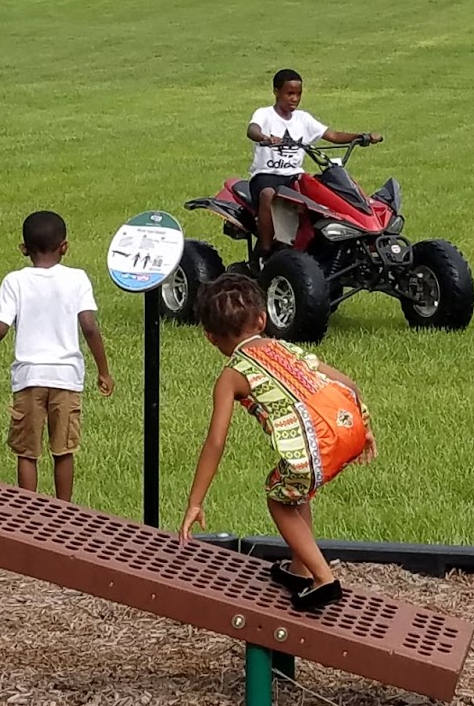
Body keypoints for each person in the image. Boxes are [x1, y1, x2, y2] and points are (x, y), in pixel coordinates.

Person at [180, 275, 376, 610]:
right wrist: (364, 429)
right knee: (295, 491)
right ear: (262, 319)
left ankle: (323, 579)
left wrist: (195, 502)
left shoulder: (231, 376)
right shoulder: (285, 347)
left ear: (209, 336)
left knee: (279, 499)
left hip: (312, 447)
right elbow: (348, 384)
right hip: (348, 426)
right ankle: (300, 570)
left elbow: (215, 442)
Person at [0, 210, 114, 502]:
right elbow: (89, 327)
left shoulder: (15, 281)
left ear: (23, 249)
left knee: (27, 452)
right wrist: (103, 371)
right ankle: (65, 511)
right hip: (66, 379)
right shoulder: (77, 279)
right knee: (64, 451)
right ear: (65, 247)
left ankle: (28, 512)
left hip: (29, 378)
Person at [245, 69, 381, 267]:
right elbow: (252, 130)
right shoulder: (264, 114)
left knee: (326, 195)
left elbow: (333, 136)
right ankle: (265, 251)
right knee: (268, 195)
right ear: (276, 92)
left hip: (294, 177)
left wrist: (362, 137)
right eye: (289, 94)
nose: (294, 99)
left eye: (298, 94)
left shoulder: (303, 119)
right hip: (267, 176)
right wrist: (265, 137)